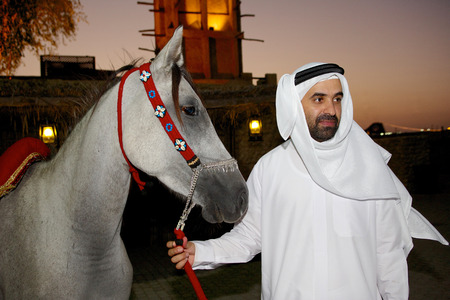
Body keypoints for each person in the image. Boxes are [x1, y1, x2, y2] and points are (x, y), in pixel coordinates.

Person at [167, 62, 448, 300]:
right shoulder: (270, 168)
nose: (331, 109)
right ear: (294, 105)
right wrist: (200, 252)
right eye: (319, 99)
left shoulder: (371, 168)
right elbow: (250, 237)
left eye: (337, 98)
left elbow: (388, 255)